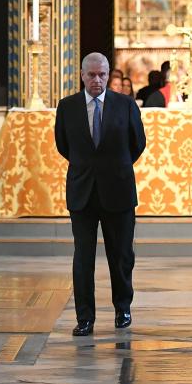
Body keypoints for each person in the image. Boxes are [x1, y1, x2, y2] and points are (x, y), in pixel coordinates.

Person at [54, 52, 146, 336]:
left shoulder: (125, 105)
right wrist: (89, 167)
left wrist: (114, 167)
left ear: (109, 75)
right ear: (82, 75)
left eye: (102, 75)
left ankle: (122, 308)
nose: (97, 80)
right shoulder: (67, 107)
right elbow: (63, 145)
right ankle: (85, 318)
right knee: (83, 258)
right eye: (91, 75)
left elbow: (137, 143)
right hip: (83, 191)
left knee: (121, 256)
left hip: (117, 189)